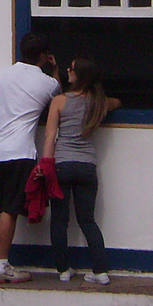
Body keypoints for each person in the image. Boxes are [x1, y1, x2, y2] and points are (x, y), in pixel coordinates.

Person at [0, 33, 61, 283]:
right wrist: (54, 69)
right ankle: (1, 266)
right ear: (44, 56)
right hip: (20, 152)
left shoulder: (0, 75)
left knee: (5, 208)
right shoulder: (47, 83)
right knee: (10, 211)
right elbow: (59, 98)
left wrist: (5, 102)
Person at [42, 57, 122, 285]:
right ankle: (100, 271)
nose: (68, 70)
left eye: (71, 69)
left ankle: (64, 270)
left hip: (62, 164)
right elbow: (117, 102)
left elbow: (49, 136)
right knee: (88, 220)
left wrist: (46, 164)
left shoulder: (59, 101)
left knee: (59, 220)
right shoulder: (99, 103)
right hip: (87, 165)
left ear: (79, 76)